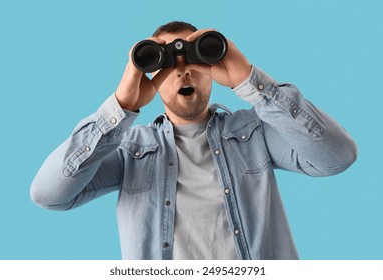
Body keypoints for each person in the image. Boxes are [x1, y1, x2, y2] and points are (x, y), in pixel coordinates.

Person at [30, 21, 357, 260]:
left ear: (212, 67)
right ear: (153, 75)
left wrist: (252, 82)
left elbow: (337, 157)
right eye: (168, 63)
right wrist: (121, 107)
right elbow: (48, 194)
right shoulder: (129, 150)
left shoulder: (256, 133)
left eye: (196, 59)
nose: (183, 72)